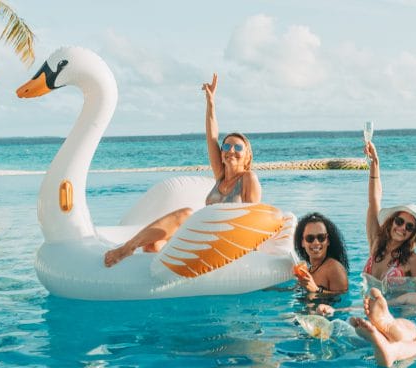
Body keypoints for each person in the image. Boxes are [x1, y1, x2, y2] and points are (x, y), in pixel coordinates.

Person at [104, 73, 261, 267]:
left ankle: (127, 248)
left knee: (186, 213)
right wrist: (210, 103)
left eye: (238, 148)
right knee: (153, 246)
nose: (231, 151)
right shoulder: (220, 176)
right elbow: (211, 137)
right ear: (221, 153)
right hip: (206, 236)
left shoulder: (248, 178)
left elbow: (254, 219)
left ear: (247, 157)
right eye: (227, 146)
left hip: (226, 242)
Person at [362, 140, 416, 281]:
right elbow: (374, 200)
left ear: (412, 234)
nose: (402, 228)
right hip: (367, 303)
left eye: (409, 227)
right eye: (399, 221)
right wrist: (375, 162)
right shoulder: (376, 245)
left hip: (396, 304)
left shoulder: (413, 260)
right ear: (392, 222)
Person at [293, 212, 350, 294]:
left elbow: (343, 298)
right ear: (302, 242)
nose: (316, 242)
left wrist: (317, 290)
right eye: (310, 238)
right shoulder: (309, 270)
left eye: (321, 237)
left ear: (328, 241)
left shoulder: (335, 269)